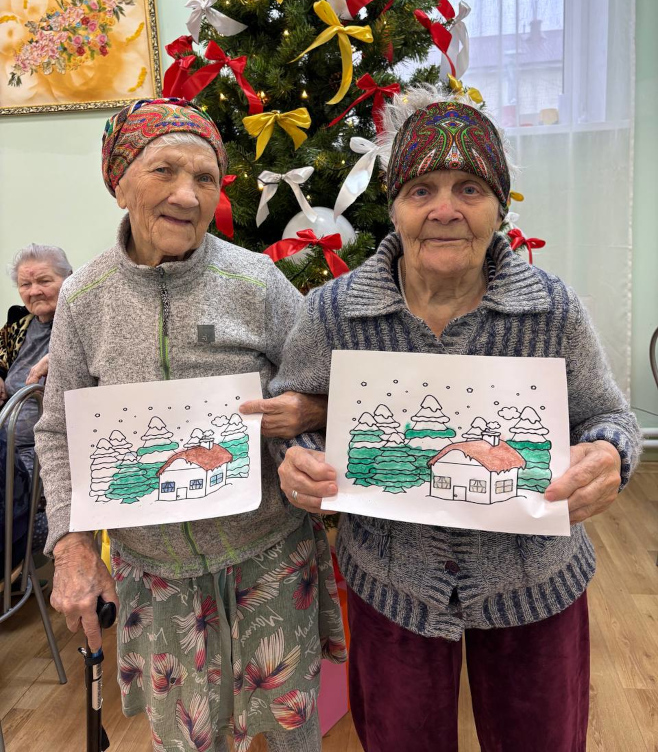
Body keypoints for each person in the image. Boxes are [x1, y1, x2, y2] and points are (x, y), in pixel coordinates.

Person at [270, 86, 641, 752]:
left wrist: (611, 453)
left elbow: (609, 416)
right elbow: (291, 412)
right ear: (395, 206)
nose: (445, 209)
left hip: (535, 584)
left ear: (499, 205)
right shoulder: (333, 311)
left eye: (469, 188)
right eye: (422, 190)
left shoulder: (552, 309)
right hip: (393, 584)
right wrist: (296, 456)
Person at [34, 98, 345, 752]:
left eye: (205, 177)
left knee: (291, 733)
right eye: (165, 171)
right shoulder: (84, 299)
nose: (187, 194)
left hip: (269, 559)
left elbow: (327, 385)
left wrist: (308, 419)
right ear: (119, 183)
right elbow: (59, 430)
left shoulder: (256, 281)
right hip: (157, 575)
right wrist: (72, 547)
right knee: (185, 740)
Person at [0, 244, 72, 570]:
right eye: (25, 284)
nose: (34, 291)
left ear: (68, 279)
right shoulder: (20, 324)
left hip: (43, 449)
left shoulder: (80, 322)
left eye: (44, 280)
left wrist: (57, 358)